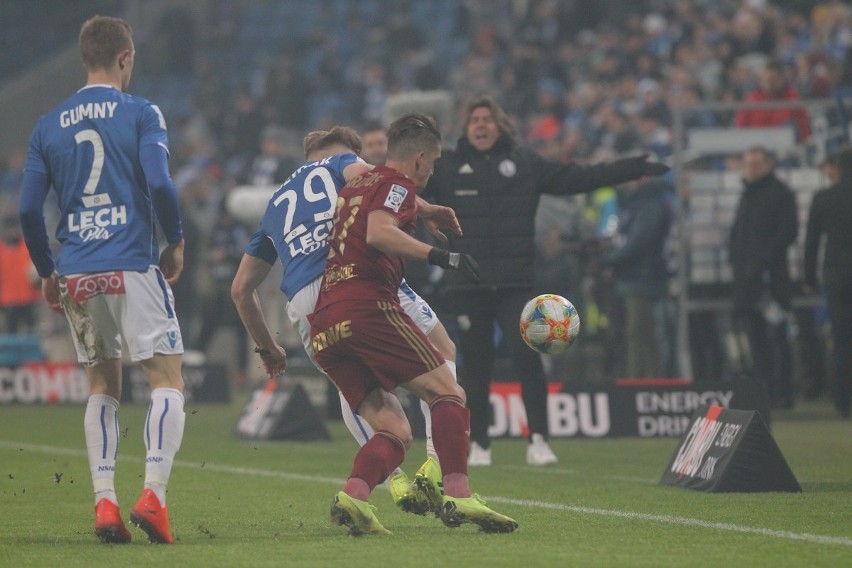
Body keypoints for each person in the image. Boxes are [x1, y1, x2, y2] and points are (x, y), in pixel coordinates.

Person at [423, 95, 670, 466]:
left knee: (528, 359)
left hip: (516, 283)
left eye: (487, 118)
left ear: (500, 125)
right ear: (465, 128)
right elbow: (406, 189)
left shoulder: (525, 164)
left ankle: (538, 439)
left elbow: (581, 178)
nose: (481, 125)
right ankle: (480, 443)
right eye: (474, 119)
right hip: (467, 283)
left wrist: (633, 167)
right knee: (474, 365)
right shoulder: (447, 168)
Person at [230, 125, 463, 516]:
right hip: (353, 277)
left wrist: (268, 347)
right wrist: (424, 209)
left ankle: (389, 481)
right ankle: (438, 466)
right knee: (443, 351)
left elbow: (240, 290)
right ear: (350, 150)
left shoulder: (275, 204)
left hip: (303, 302)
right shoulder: (340, 162)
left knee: (355, 387)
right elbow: (376, 181)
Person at [19, 16, 186, 545]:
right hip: (131, 259)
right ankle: (154, 496)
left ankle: (105, 506)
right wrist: (174, 240)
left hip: (77, 270)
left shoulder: (47, 124)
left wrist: (48, 270)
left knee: (102, 386)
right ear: (125, 57)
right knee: (166, 379)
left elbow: (27, 209)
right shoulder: (141, 112)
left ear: (83, 57)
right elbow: (159, 180)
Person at [310, 112, 517, 535]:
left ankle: (355, 494)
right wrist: (444, 256)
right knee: (449, 392)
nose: (432, 171)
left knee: (394, 429)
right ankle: (458, 493)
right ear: (420, 159)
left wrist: (423, 215)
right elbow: (380, 232)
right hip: (367, 307)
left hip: (326, 321)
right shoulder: (398, 184)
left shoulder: (358, 184)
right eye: (435, 163)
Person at [729, 146, 798, 419]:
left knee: (777, 336)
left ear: (769, 164)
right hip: (748, 283)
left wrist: (762, 262)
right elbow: (739, 236)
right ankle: (763, 392)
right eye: (748, 163)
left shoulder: (781, 194)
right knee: (756, 339)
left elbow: (787, 233)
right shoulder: (747, 194)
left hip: (771, 282)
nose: (752, 168)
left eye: (757, 163)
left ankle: (782, 392)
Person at [601, 177, 673, 378]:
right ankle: (640, 380)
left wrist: (609, 259)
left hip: (642, 279)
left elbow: (638, 244)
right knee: (635, 334)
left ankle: (644, 383)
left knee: (640, 334)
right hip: (632, 278)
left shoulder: (649, 206)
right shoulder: (636, 205)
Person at [803, 147, 852, 419]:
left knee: (842, 338)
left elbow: (811, 243)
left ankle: (842, 402)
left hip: (836, 275)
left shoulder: (824, 198)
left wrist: (809, 277)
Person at [0, 216, 42, 334]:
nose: (12, 232)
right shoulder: (1, 250)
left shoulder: (28, 247)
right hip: (8, 300)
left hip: (29, 298)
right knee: (11, 332)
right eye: (9, 229)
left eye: (14, 228)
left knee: (31, 331)